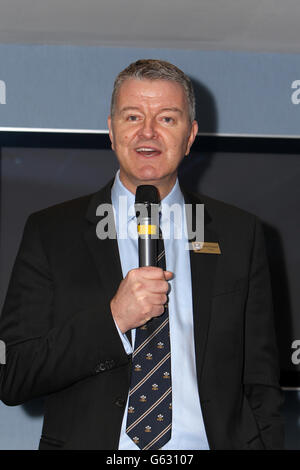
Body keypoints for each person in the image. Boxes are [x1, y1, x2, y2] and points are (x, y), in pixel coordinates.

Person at [0, 59, 284, 450]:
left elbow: (261, 382)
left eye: (167, 119)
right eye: (132, 116)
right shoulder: (51, 232)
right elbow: (15, 375)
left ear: (190, 136)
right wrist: (114, 319)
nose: (147, 132)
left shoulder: (240, 234)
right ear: (112, 131)